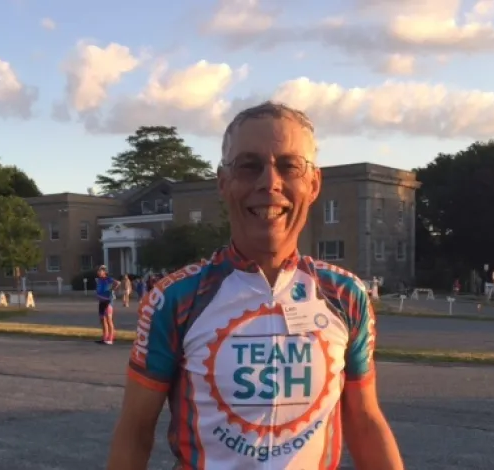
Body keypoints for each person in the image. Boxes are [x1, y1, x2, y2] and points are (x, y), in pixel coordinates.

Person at [107, 102, 403, 470]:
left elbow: (365, 422)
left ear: (313, 184)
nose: (269, 182)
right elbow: (135, 432)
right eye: (249, 166)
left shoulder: (346, 295)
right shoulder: (175, 298)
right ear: (223, 183)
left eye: (289, 166)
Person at [95, 266, 120, 344]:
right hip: (101, 301)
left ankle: (110, 338)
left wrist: (112, 289)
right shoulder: (99, 280)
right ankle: (105, 337)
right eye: (98, 271)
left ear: (104, 272)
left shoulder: (108, 279)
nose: (98, 272)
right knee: (102, 320)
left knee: (109, 320)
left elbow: (118, 283)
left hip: (108, 301)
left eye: (100, 271)